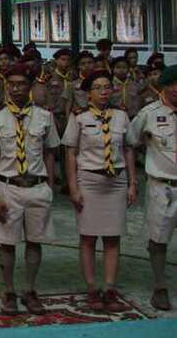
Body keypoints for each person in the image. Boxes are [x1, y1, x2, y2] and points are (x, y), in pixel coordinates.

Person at [0, 64, 59, 314]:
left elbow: (50, 152)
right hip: (9, 186)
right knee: (7, 243)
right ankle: (9, 291)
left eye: (22, 84)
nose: (16, 89)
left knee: (35, 241)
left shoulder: (44, 116)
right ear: (6, 86)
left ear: (31, 86)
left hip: (37, 186)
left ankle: (29, 289)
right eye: (12, 84)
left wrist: (50, 186)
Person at [62, 70, 138, 313]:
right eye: (98, 87)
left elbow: (128, 149)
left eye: (107, 87)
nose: (104, 91)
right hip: (89, 181)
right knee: (88, 237)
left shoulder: (121, 116)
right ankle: (92, 288)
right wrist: (73, 187)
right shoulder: (79, 117)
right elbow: (70, 153)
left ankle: (110, 288)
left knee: (113, 237)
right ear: (88, 93)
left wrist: (132, 182)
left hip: (116, 181)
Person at [127, 64, 177, 311]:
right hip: (162, 186)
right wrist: (133, 180)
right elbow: (130, 141)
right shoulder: (149, 113)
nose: (176, 89)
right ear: (163, 87)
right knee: (158, 239)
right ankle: (160, 287)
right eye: (172, 84)